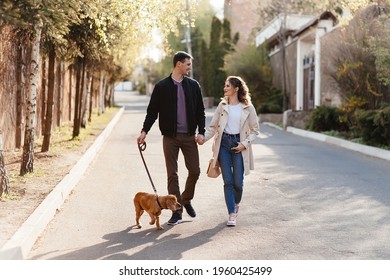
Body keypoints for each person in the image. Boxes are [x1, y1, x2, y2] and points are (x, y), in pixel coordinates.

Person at [137, 51, 206, 225]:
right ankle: (177, 212)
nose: (190, 67)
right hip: (170, 138)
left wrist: (201, 131)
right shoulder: (162, 87)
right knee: (172, 174)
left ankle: (185, 199)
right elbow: (152, 112)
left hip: (190, 136)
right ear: (178, 65)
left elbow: (200, 112)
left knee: (195, 170)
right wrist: (144, 131)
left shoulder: (193, 85)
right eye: (187, 64)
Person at [197, 76, 260, 227]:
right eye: (225, 86)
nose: (225, 88)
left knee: (238, 182)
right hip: (224, 144)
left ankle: (236, 203)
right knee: (228, 181)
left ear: (236, 89)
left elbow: (255, 130)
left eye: (227, 86)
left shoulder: (248, 108)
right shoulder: (222, 106)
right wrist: (203, 138)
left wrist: (244, 144)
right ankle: (231, 213)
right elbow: (213, 127)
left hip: (239, 145)